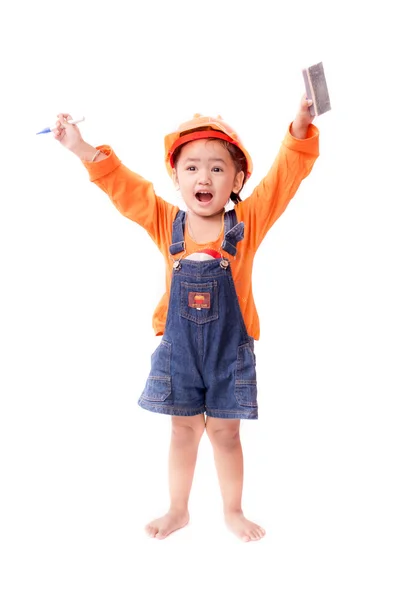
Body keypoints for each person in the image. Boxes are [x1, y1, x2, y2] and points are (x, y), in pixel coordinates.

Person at [53, 95, 319, 542]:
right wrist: (81, 148)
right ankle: (178, 509)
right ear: (176, 177)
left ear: (236, 179)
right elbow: (123, 186)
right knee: (182, 430)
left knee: (225, 434)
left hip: (228, 351)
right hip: (179, 350)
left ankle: (233, 511)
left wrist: (299, 129)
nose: (204, 176)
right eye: (192, 166)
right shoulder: (165, 221)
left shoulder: (246, 222)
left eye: (217, 167)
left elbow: (283, 182)